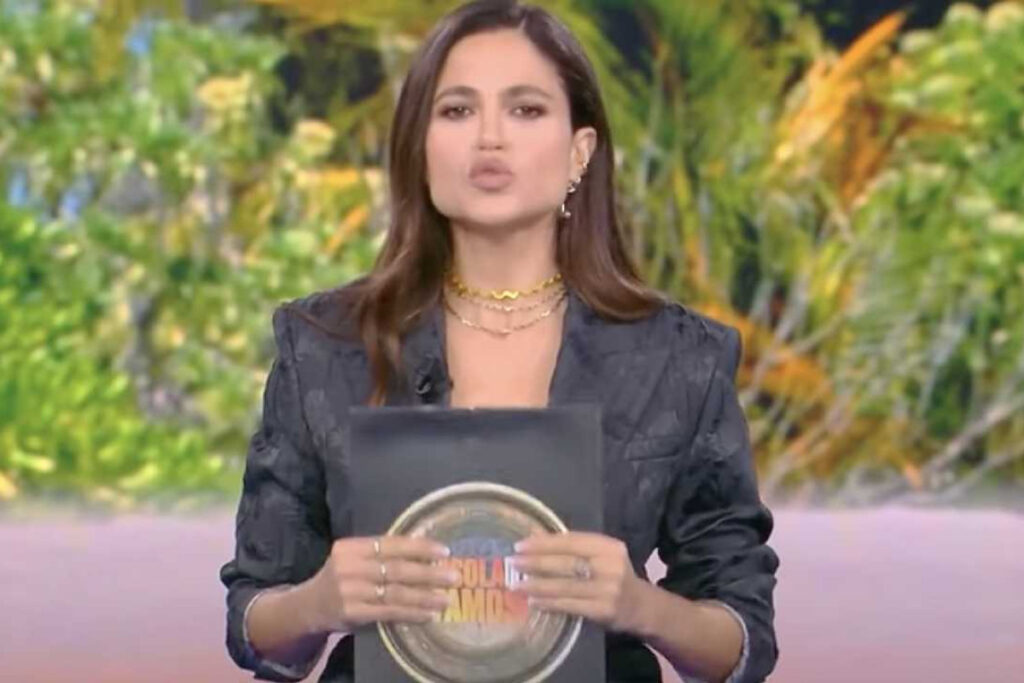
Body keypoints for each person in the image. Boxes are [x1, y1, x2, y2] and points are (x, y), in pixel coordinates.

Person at [219, 1, 779, 681]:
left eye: (525, 110)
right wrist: (319, 602)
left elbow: (743, 639)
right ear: (420, 147)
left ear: (580, 152)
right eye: (457, 110)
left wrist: (641, 605)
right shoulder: (324, 346)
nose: (489, 138)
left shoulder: (678, 357)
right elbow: (256, 624)